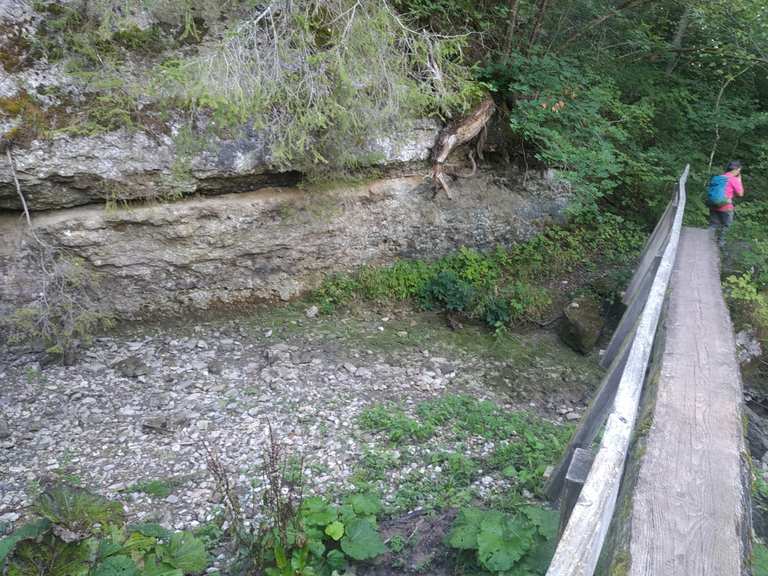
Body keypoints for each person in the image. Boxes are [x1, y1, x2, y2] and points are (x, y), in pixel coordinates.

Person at [709, 160, 744, 246]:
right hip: (726, 207)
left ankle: (706, 242)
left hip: (713, 204)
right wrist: (739, 181)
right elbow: (740, 194)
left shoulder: (719, 177)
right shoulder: (734, 179)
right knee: (727, 226)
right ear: (736, 169)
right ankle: (721, 244)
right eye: (739, 170)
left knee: (713, 225)